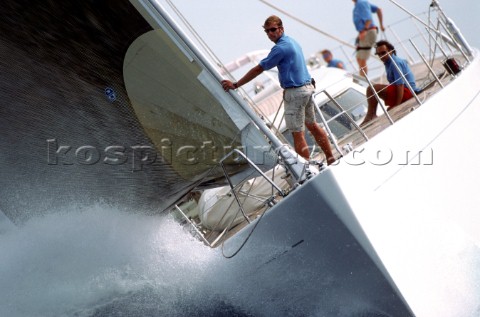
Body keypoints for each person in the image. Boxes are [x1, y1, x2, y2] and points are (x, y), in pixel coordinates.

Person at [221, 15, 335, 165]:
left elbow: (258, 69)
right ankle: (331, 158)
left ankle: (307, 168)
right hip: (307, 89)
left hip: (296, 93)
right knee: (312, 125)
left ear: (281, 29)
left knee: (297, 133)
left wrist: (236, 85)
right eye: (267, 31)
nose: (270, 34)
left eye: (273, 30)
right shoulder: (292, 41)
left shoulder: (280, 48)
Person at [361, 40, 419, 125]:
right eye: (379, 54)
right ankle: (372, 114)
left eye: (383, 53)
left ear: (390, 51)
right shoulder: (388, 63)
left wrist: (397, 106)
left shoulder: (394, 63)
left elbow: (400, 85)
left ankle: (371, 115)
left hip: (408, 92)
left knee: (371, 89)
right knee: (386, 107)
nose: (381, 56)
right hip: (405, 91)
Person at [352, 0, 385, 77]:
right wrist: (381, 25)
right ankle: (363, 78)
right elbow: (378, 9)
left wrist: (364, 30)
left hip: (368, 31)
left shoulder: (361, 3)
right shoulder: (362, 3)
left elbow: (368, 18)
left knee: (361, 58)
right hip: (367, 31)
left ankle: (363, 80)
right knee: (359, 57)